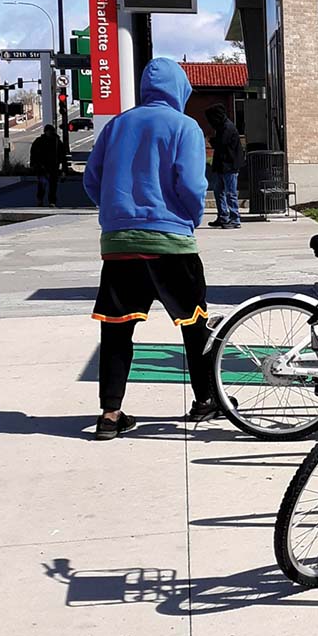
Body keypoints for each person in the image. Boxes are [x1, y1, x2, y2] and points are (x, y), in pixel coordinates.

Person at [83, 57, 218, 440]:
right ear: (180, 89)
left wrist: (116, 213)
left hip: (120, 245)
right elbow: (192, 185)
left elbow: (93, 180)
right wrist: (189, 218)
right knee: (194, 324)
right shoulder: (185, 127)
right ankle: (205, 399)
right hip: (171, 241)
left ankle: (110, 414)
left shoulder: (116, 126)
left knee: (116, 329)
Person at [207, 104, 242, 229]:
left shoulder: (228, 128)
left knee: (230, 193)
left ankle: (235, 218)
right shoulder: (222, 127)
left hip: (229, 166)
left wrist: (213, 141)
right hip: (221, 165)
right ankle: (223, 216)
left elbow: (221, 144)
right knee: (218, 192)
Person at [30, 124, 61, 208]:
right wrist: (34, 164)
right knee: (44, 184)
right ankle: (42, 200)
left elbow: (61, 155)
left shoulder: (56, 141)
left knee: (51, 185)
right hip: (42, 167)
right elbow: (33, 154)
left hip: (52, 166)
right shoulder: (40, 141)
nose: (49, 133)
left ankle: (50, 201)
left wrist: (64, 168)